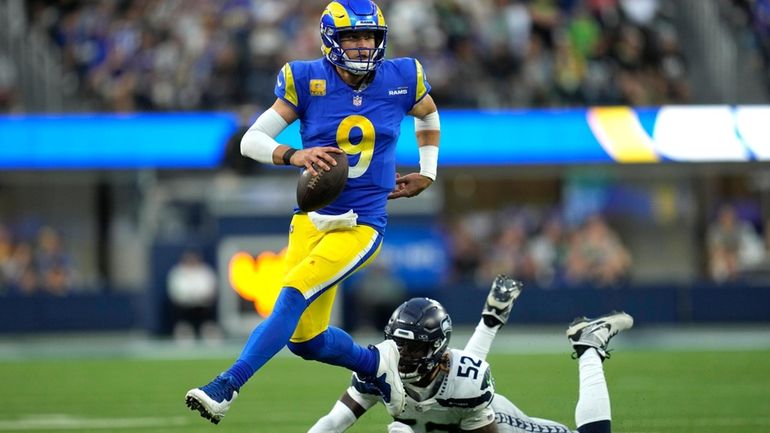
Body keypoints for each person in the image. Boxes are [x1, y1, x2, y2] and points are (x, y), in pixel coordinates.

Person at [185, 0, 441, 424]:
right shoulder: (305, 79)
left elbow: (428, 113)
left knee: (292, 293)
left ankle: (225, 386)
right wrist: (294, 154)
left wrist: (428, 171)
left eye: (368, 36)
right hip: (310, 218)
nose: (362, 46)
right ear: (330, 41)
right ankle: (376, 366)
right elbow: (251, 140)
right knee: (305, 340)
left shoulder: (402, 77)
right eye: (352, 37)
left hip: (361, 224)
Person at [308, 275, 633, 433]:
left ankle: (589, 345)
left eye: (415, 346)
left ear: (436, 347)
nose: (403, 354)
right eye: (398, 343)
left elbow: (466, 375)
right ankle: (491, 318)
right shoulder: (375, 369)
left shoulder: (467, 383)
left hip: (488, 424)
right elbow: (335, 421)